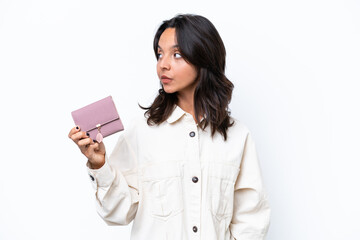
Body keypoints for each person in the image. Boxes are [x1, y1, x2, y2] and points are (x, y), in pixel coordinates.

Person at [68, 14, 270, 240]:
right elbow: (118, 213)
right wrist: (100, 165)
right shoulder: (141, 132)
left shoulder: (237, 136)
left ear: (204, 56)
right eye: (159, 54)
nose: (163, 64)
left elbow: (251, 220)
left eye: (176, 54)